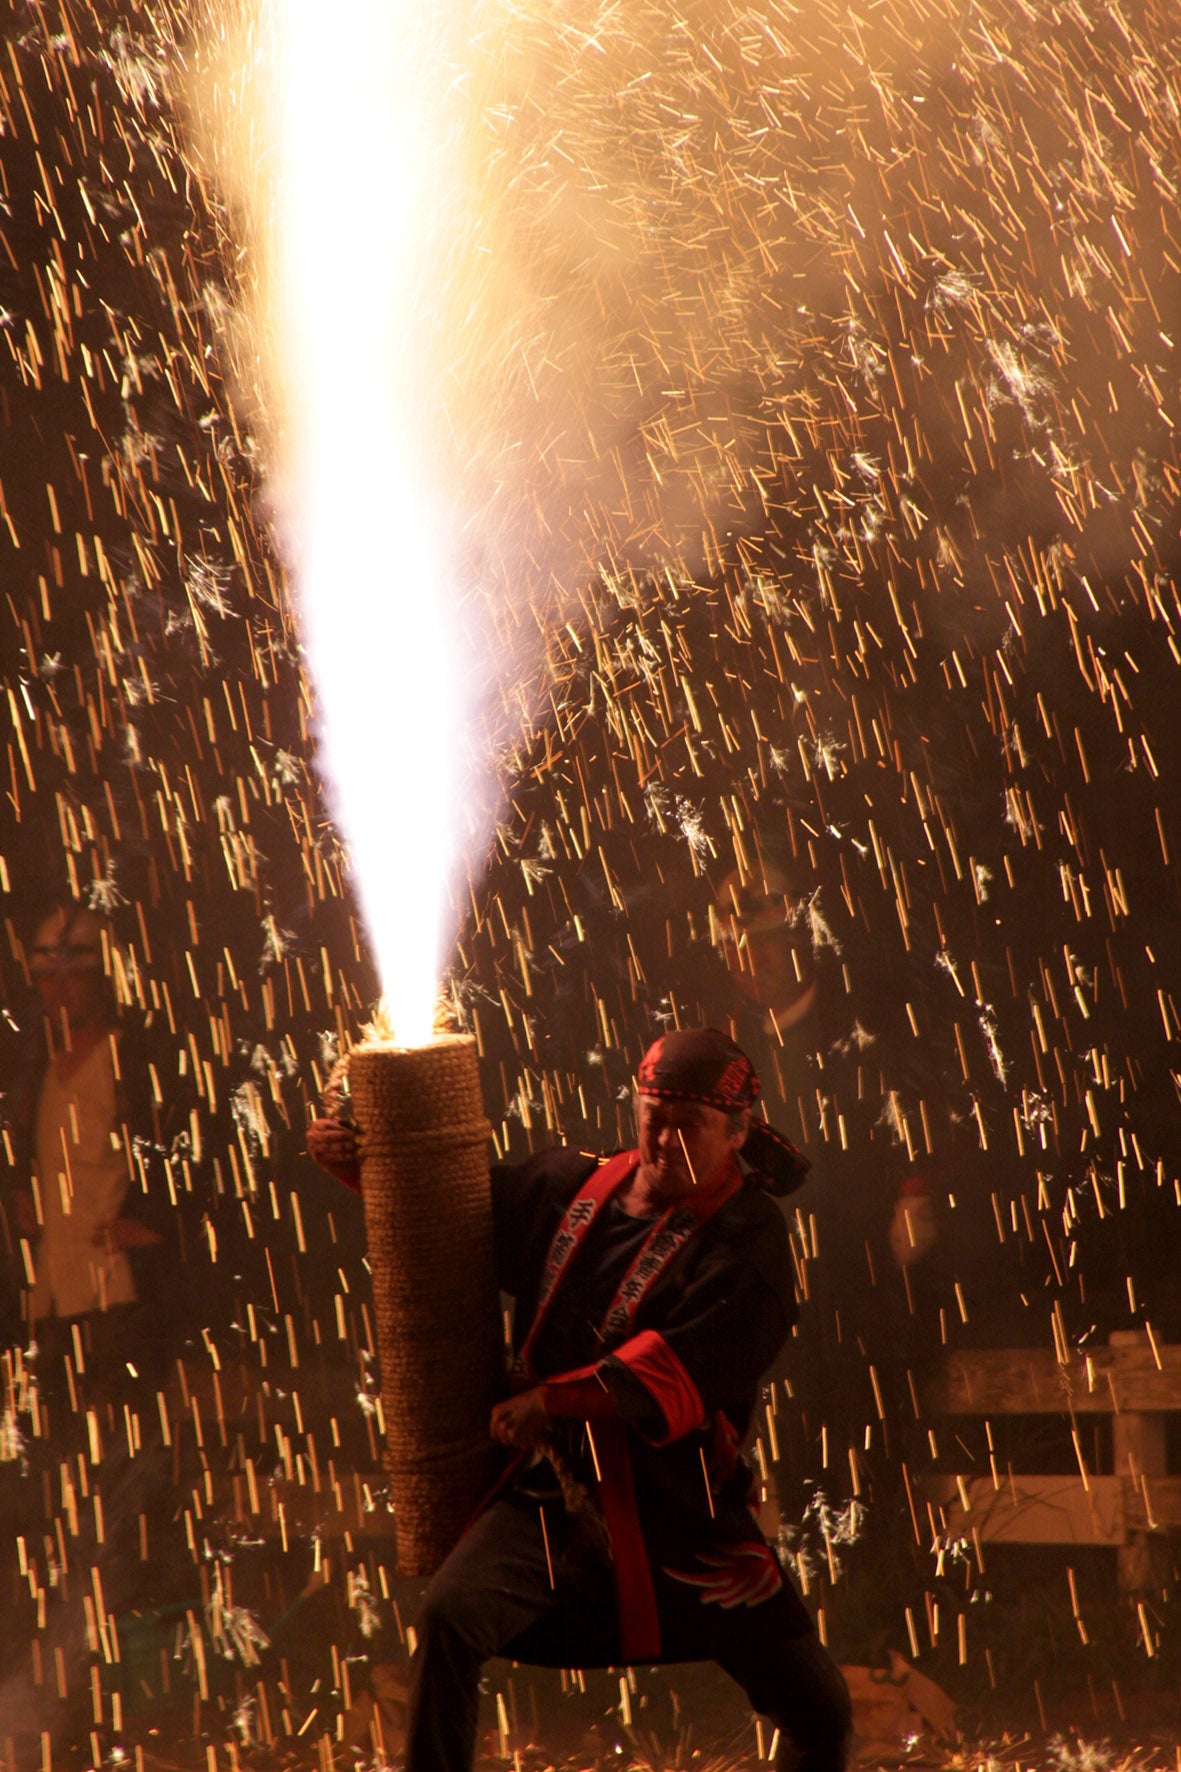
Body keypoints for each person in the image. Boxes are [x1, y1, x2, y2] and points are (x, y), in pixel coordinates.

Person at [308, 1025, 853, 1772]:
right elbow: (444, 1221)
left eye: (685, 1126)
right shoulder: (568, 1183)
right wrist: (361, 1169)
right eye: (650, 1119)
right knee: (448, 1619)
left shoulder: (747, 1234)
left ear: (735, 1134)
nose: (662, 1141)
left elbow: (692, 1360)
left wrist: (554, 1401)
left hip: (677, 1505)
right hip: (547, 1489)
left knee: (818, 1708)